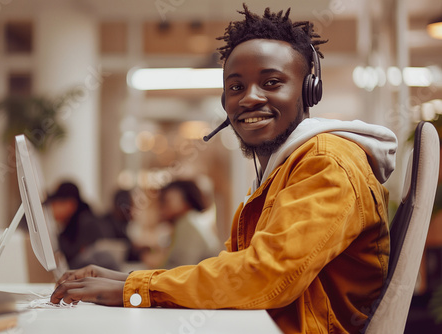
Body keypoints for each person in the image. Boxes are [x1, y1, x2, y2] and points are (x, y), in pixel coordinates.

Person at [50, 5, 398, 333]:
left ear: (309, 91)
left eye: (271, 82)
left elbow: (264, 276)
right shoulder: (284, 170)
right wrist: (125, 281)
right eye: (236, 87)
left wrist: (137, 288)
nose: (249, 97)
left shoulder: (326, 165)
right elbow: (235, 272)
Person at [46, 181, 118, 270]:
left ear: (70, 204)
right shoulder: (75, 223)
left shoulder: (86, 224)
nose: (52, 208)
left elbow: (77, 258)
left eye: (55, 203)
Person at [155, 180, 222, 269]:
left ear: (186, 200)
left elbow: (182, 268)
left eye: (167, 201)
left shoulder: (188, 224)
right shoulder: (193, 220)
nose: (163, 207)